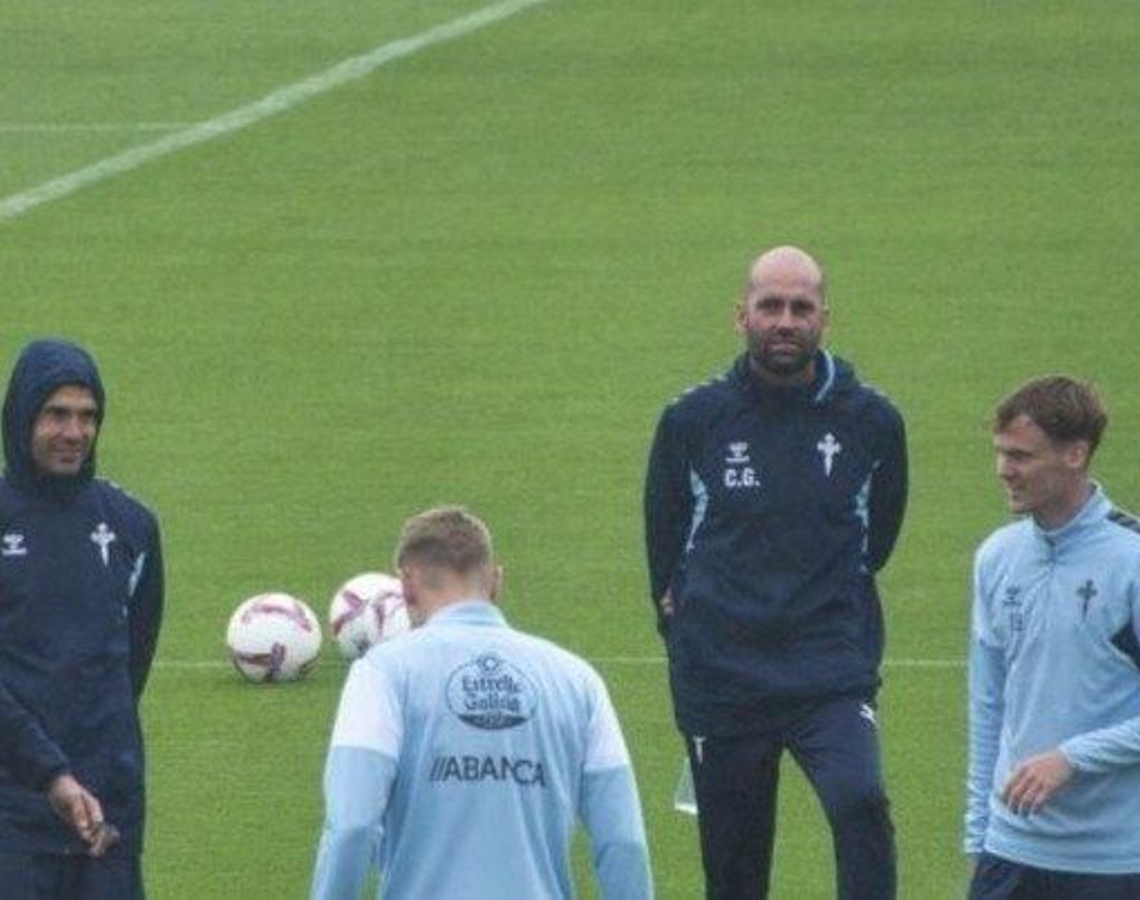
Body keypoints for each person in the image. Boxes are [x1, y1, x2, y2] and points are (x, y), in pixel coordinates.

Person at [644, 245, 908, 899]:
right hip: (724, 679)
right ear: (742, 316)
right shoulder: (693, 421)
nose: (785, 321)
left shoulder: (872, 421)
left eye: (800, 307)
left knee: (861, 803)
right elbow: (664, 548)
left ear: (825, 317)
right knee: (735, 873)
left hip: (829, 671)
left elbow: (878, 541)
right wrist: (694, 634)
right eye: (770, 306)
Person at [310, 506, 652, 899]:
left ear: (405, 586)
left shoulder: (382, 674)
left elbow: (353, 825)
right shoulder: (578, 681)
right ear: (496, 581)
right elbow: (625, 841)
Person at [965, 376, 1140, 900]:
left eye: (1021, 456)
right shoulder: (998, 556)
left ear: (1075, 454)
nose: (1003, 470)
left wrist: (1073, 757)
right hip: (1011, 852)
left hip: (1118, 860)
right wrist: (979, 833)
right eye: (1000, 453)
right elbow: (989, 702)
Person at [0, 338, 165, 899]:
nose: (74, 432)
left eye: (87, 416)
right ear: (22, 415)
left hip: (105, 805)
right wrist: (49, 771)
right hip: (12, 807)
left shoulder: (131, 527)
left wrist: (93, 770)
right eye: (57, 414)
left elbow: (128, 668)